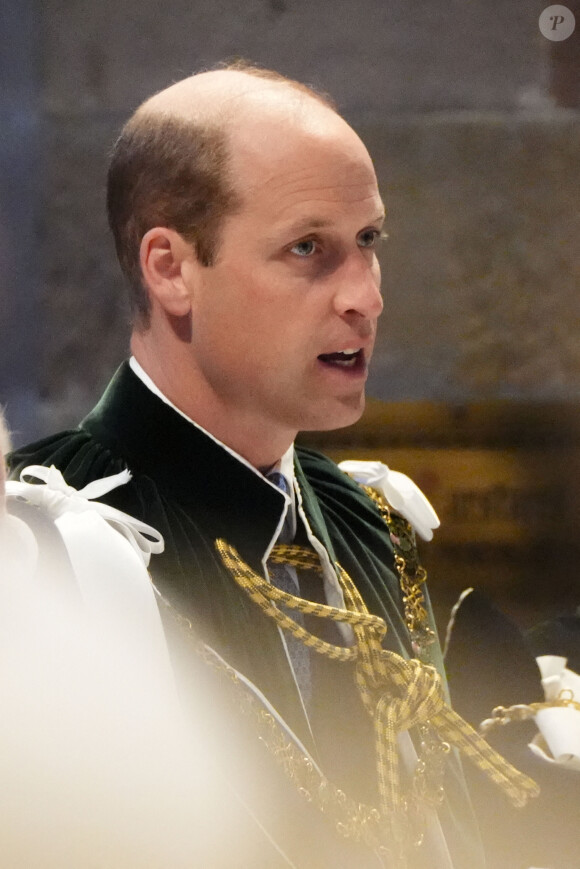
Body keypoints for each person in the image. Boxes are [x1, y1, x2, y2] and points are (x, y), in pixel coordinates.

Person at [8, 63, 538, 868]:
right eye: (308, 248)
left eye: (368, 243)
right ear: (171, 268)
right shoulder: (42, 550)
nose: (365, 296)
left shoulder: (367, 517)